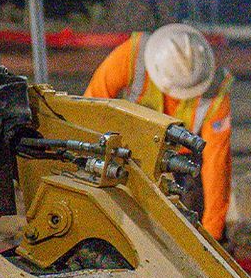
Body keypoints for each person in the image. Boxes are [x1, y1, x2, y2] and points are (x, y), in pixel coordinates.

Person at [85, 23, 232, 240]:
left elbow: (216, 163)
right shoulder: (131, 56)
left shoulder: (215, 94)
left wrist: (212, 233)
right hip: (128, 149)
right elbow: (90, 109)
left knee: (193, 214)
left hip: (182, 159)